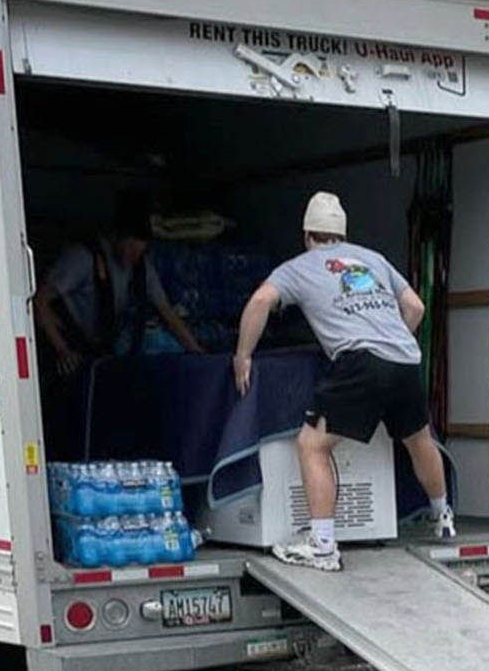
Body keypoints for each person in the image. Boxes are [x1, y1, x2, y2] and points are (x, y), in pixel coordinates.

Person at [233, 191, 455, 571]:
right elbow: (415, 307)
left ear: (307, 235)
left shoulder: (298, 267)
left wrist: (243, 356)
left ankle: (322, 547)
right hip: (404, 358)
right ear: (344, 234)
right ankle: (442, 518)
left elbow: (259, 302)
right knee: (418, 439)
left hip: (359, 362)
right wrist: (391, 341)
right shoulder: (373, 259)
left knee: (312, 445)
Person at [33, 194, 204, 379]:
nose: (133, 256)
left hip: (97, 353)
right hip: (65, 348)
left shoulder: (141, 267)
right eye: (130, 247)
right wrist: (62, 350)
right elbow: (40, 300)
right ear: (117, 236)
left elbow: (166, 313)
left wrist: (197, 352)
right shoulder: (84, 258)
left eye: (139, 250)